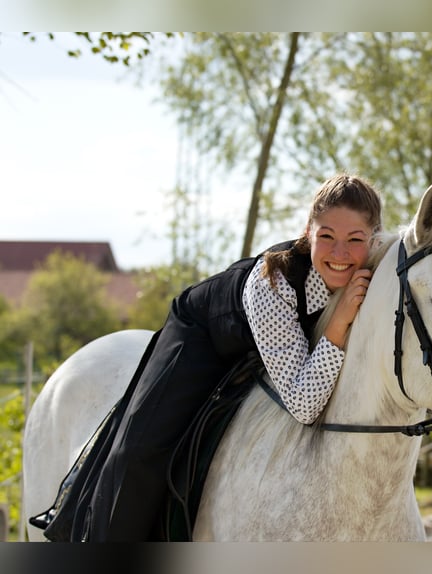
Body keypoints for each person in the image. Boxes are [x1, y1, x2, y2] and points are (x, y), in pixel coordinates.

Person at [34, 173, 382, 541]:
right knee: (139, 452)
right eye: (326, 236)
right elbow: (305, 405)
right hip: (203, 335)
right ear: (308, 232)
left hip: (264, 350)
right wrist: (339, 322)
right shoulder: (274, 281)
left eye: (354, 240)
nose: (340, 253)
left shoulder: (376, 273)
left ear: (373, 238)